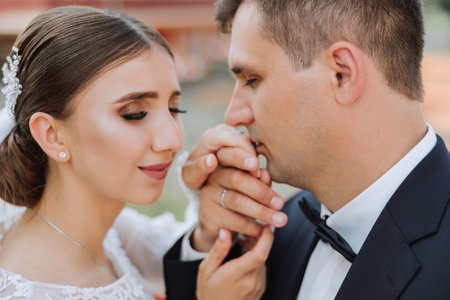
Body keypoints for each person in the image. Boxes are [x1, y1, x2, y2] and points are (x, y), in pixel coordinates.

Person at [163, 0, 450, 299]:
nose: (232, 115)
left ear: (342, 74)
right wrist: (210, 239)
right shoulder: (281, 230)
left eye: (252, 79)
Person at [0, 6, 273, 299]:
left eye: (173, 109)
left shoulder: (114, 231)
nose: (173, 140)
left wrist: (209, 210)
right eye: (134, 114)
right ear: (52, 136)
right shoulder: (25, 291)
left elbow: (173, 250)